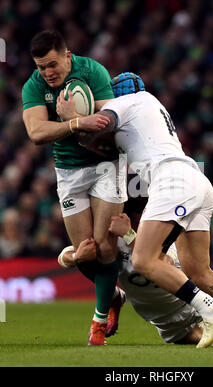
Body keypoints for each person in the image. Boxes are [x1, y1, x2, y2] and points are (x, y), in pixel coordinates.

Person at [76, 72, 213, 348]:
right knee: (200, 272)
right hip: (195, 178)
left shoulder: (127, 103)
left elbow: (97, 130)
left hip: (171, 180)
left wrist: (73, 120)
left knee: (144, 259)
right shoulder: (151, 106)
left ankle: (212, 312)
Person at [22, 30, 128, 346]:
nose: (48, 72)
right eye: (42, 67)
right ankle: (114, 296)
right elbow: (35, 131)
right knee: (86, 254)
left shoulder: (92, 71)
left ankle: (97, 326)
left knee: (105, 245)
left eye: (52, 64)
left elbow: (111, 127)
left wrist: (83, 119)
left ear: (67, 55)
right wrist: (76, 123)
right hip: (69, 172)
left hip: (106, 166)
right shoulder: (34, 85)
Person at [57, 213, 213, 347]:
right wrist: (76, 256)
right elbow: (63, 256)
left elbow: (162, 263)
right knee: (204, 340)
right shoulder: (106, 245)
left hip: (195, 304)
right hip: (168, 322)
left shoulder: (157, 240)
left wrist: (129, 235)